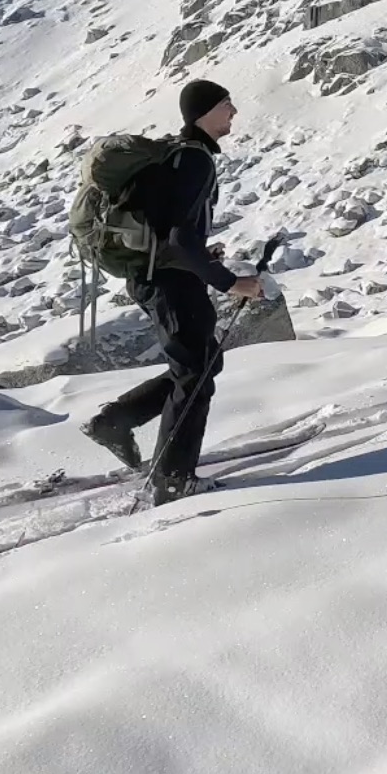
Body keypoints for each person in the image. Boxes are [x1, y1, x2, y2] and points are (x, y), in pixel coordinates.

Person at [82, 79, 264, 505]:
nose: (234, 111)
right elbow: (180, 243)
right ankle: (172, 479)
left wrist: (207, 255)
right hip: (169, 280)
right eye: (226, 104)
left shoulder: (181, 158)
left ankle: (116, 421)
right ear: (203, 112)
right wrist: (230, 281)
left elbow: (172, 232)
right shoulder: (194, 160)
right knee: (194, 376)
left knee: (201, 365)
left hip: (159, 275)